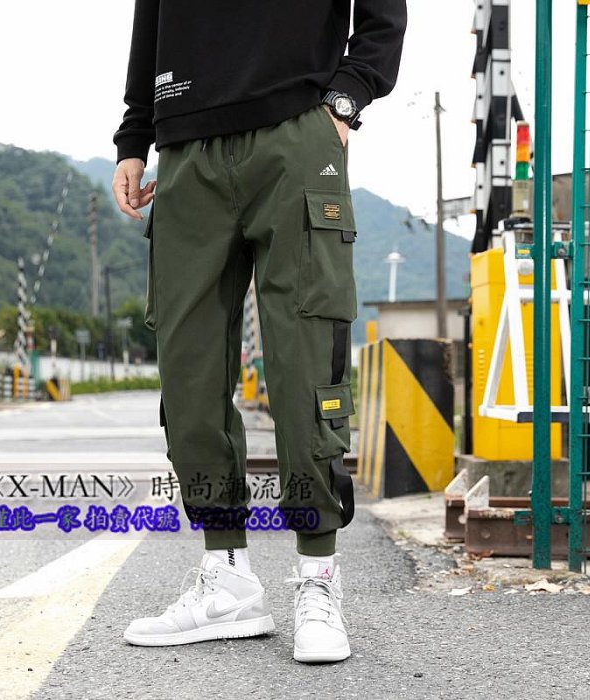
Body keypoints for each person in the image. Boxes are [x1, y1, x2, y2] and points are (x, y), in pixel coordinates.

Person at [112, 0, 407, 663]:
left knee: (306, 366)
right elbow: (151, 19)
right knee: (188, 376)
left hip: (295, 134)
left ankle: (318, 576)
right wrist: (134, 138)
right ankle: (227, 578)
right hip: (185, 148)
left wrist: (346, 99)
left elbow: (383, 12)